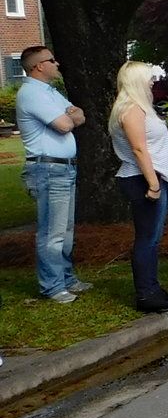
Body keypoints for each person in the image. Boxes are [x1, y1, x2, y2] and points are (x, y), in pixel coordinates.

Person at [108, 61, 168, 312]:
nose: (153, 81)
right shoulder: (131, 109)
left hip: (150, 177)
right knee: (147, 239)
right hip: (141, 179)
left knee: (152, 239)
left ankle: (154, 287)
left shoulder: (139, 108)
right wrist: (153, 184)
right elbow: (139, 148)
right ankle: (145, 294)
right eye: (149, 78)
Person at [15, 45, 90, 303]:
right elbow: (65, 124)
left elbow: (80, 114)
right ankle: (53, 286)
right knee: (52, 231)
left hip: (64, 167)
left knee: (66, 229)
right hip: (47, 169)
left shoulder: (50, 92)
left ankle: (67, 279)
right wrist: (70, 117)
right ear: (39, 66)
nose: (57, 64)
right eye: (52, 60)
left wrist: (73, 116)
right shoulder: (31, 94)